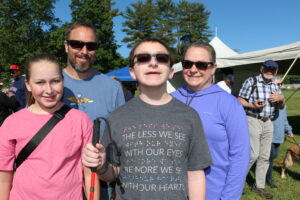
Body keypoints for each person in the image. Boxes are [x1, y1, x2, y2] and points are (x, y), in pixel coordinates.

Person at [82, 38, 212, 200]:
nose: (153, 63)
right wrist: (101, 166)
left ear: (171, 71)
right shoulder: (116, 117)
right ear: (132, 71)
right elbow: (112, 173)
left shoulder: (189, 116)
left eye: (161, 58)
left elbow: (195, 174)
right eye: (143, 58)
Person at [0, 53, 99, 200]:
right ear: (28, 84)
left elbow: (89, 173)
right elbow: (3, 177)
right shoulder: (11, 123)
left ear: (63, 81)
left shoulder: (81, 120)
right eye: (40, 82)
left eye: (55, 81)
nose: (49, 90)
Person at [172, 42, 250, 200]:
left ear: (213, 68)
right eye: (187, 64)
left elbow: (240, 156)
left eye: (201, 65)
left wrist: (229, 197)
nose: (193, 70)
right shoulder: (169, 99)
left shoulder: (229, 104)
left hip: (213, 193)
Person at [62, 21, 125, 200]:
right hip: (58, 181)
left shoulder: (112, 87)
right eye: (77, 44)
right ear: (66, 46)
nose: (84, 51)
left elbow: (119, 138)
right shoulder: (49, 84)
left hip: (101, 181)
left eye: (91, 46)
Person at [238, 60, 285, 199]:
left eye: (273, 69)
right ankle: (236, 184)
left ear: (276, 71)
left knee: (265, 157)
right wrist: (252, 105)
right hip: (253, 119)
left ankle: (259, 187)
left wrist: (281, 99)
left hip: (268, 122)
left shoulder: (275, 86)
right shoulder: (251, 81)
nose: (270, 70)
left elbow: (281, 107)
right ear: (261, 68)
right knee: (253, 155)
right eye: (267, 68)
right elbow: (239, 100)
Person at [266, 77, 294, 188]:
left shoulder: (283, 99)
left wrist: (289, 130)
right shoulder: (269, 98)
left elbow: (284, 118)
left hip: (279, 133)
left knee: (275, 155)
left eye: (281, 84)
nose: (279, 86)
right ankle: (268, 179)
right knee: (270, 157)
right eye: (277, 84)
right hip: (270, 132)